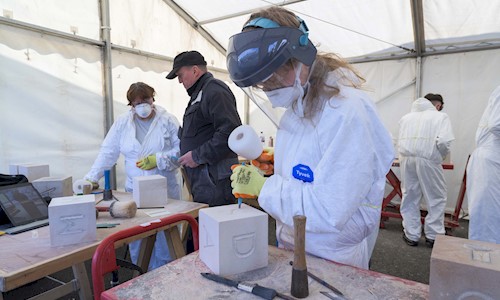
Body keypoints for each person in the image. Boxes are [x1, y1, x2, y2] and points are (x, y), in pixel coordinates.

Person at [226, 7, 394, 269]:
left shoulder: (347, 112)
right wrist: (278, 167)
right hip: (294, 244)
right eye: (261, 83)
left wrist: (265, 188)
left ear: (300, 57)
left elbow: (329, 209)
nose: (268, 88)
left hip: (333, 257)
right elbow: (312, 169)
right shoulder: (299, 104)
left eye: (272, 77)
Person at [84, 82, 181, 270]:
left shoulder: (168, 121)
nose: (142, 106)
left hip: (164, 192)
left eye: (145, 100)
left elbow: (182, 151)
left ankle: (168, 280)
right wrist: (91, 177)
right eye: (136, 103)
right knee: (138, 237)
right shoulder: (123, 123)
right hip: (134, 192)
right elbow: (108, 151)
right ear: (131, 105)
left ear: (153, 99)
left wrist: (158, 159)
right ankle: (142, 277)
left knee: (166, 240)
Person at [166, 50, 242, 207]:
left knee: (216, 223)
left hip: (215, 177)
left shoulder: (214, 91)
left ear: (195, 70)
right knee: (206, 223)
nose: (180, 81)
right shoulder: (200, 94)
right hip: (205, 177)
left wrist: (197, 156)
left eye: (180, 75)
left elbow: (230, 132)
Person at [398, 96, 454, 248]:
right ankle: (433, 236)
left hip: (406, 158)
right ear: (437, 105)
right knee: (435, 197)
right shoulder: (441, 117)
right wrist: (439, 156)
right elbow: (443, 141)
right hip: (428, 159)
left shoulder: (406, 118)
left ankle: (411, 234)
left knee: (410, 196)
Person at [467, 85, 500, 244]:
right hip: (492, 160)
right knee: (488, 220)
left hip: (491, 159)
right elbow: (497, 124)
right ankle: (485, 266)